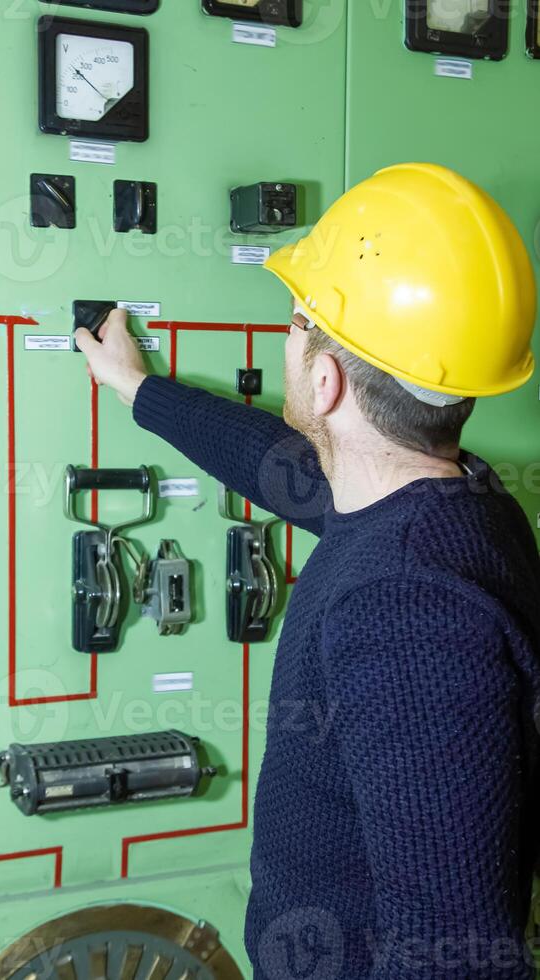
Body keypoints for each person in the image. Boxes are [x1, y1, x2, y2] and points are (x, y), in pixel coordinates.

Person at [76, 163, 540, 979]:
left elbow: (453, 955)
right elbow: (284, 467)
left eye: (297, 322)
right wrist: (139, 390)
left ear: (324, 380)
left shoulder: (408, 613)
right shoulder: (456, 507)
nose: (288, 336)